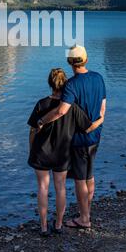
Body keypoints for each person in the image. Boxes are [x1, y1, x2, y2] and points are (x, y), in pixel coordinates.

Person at [28, 68, 104, 236]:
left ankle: (43, 227)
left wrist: (31, 148)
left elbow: (33, 130)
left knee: (42, 188)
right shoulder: (72, 107)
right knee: (60, 188)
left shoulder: (41, 104)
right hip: (62, 154)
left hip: (41, 153)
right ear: (65, 83)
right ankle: (59, 225)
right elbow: (87, 128)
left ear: (50, 83)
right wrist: (100, 120)